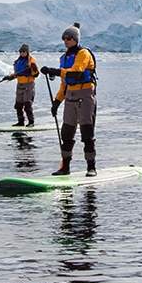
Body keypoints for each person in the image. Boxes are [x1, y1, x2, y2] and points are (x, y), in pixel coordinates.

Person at [40, 23, 98, 176]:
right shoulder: (64, 58)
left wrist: (54, 71)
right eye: (64, 38)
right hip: (70, 97)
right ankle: (65, 167)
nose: (66, 40)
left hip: (85, 95)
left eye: (69, 38)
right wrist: (57, 102)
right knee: (66, 134)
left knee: (87, 133)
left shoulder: (83, 53)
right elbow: (64, 84)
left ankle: (91, 168)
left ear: (76, 39)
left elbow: (76, 73)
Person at [4, 44, 39, 126]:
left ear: (27, 52)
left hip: (28, 85)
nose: (22, 53)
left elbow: (36, 74)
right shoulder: (17, 62)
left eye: (24, 51)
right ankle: (21, 122)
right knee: (18, 105)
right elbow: (17, 74)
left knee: (27, 104)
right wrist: (9, 77)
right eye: (21, 52)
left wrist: (33, 69)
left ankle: (31, 122)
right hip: (20, 85)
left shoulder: (31, 61)